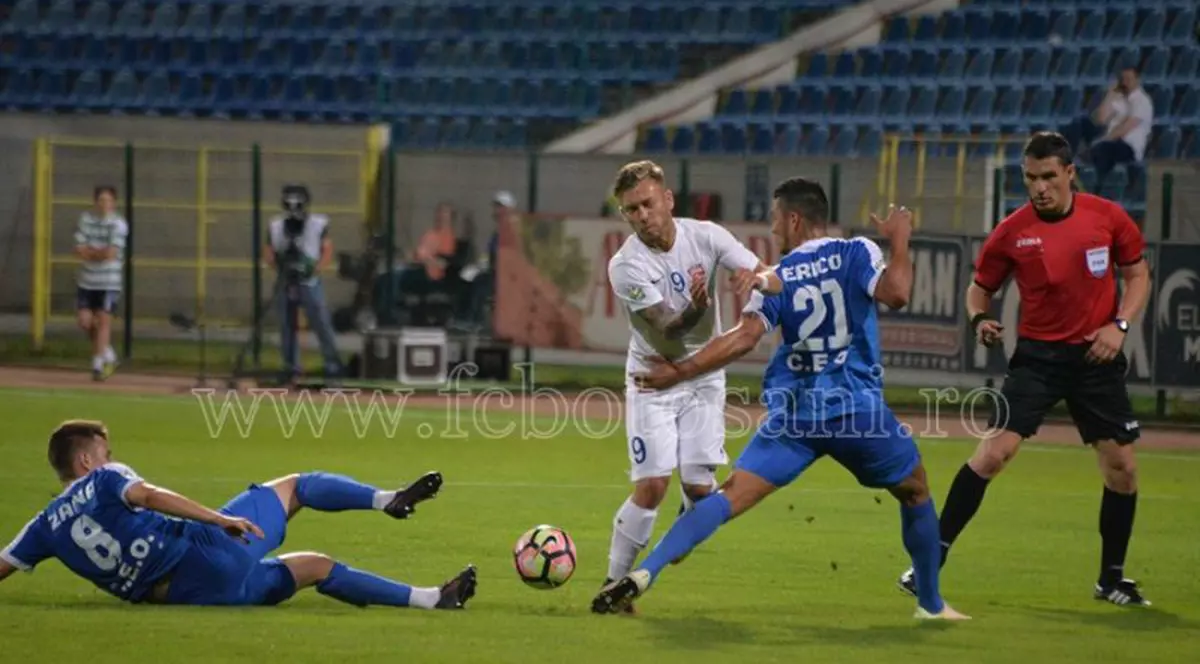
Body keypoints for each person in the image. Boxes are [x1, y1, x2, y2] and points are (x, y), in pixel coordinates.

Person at [593, 177, 968, 621]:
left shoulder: (779, 278)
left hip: (794, 419)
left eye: (774, 219)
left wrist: (680, 371)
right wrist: (901, 241)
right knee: (916, 490)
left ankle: (646, 571)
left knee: (724, 497)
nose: (772, 229)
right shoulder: (857, 253)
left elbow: (745, 337)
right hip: (858, 414)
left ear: (793, 219)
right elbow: (898, 293)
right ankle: (930, 603)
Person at [897, 131, 1153, 607]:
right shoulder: (1012, 231)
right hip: (1038, 358)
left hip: (1097, 358)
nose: (1039, 187)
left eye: (1049, 177)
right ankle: (928, 562)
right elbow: (978, 289)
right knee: (993, 456)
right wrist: (979, 319)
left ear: (1070, 173)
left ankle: (1111, 580)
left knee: (1123, 470)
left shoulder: (1108, 217)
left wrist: (1119, 325)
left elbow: (1138, 273)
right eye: (1031, 178)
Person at [0, 420, 477, 610]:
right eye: (105, 452)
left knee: (315, 567)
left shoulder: (42, 527)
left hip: (193, 597)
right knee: (298, 486)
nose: (109, 458)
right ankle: (387, 499)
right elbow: (148, 496)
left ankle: (434, 598)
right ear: (86, 461)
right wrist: (216, 519)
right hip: (205, 552)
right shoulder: (104, 480)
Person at [601, 159, 774, 614]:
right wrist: (699, 306)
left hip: (703, 378)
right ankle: (613, 585)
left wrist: (754, 279)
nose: (641, 215)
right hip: (652, 379)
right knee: (653, 485)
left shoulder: (707, 236)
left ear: (668, 199)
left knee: (702, 495)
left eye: (647, 203)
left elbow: (769, 275)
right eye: (631, 209)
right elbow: (671, 327)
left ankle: (687, 507)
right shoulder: (625, 266)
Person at [264, 184, 344, 383]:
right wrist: (280, 267)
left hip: (310, 282)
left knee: (321, 322)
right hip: (285, 282)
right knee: (287, 325)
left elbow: (326, 249)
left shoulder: (317, 223)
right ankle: (291, 366)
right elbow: (268, 250)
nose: (293, 206)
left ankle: (332, 365)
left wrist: (315, 269)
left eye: (297, 201)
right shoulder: (275, 225)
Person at [1060, 67, 1153, 192]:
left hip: (1128, 146)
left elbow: (1125, 129)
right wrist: (1110, 95)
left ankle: (1097, 189)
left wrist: (1100, 141)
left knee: (1103, 149)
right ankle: (1066, 158)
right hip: (1107, 139)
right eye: (1123, 79)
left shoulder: (1142, 101)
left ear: (1137, 80)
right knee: (1080, 122)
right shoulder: (1119, 99)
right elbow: (1101, 120)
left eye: (1129, 79)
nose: (1125, 82)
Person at [74, 185, 128, 381]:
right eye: (101, 200)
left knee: (104, 320)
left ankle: (97, 365)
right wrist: (97, 253)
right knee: (85, 322)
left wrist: (92, 252)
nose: (105, 204)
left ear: (114, 203)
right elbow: (79, 249)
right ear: (95, 202)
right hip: (86, 280)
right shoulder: (85, 219)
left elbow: (111, 254)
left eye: (109, 201)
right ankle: (108, 353)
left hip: (109, 281)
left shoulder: (119, 224)